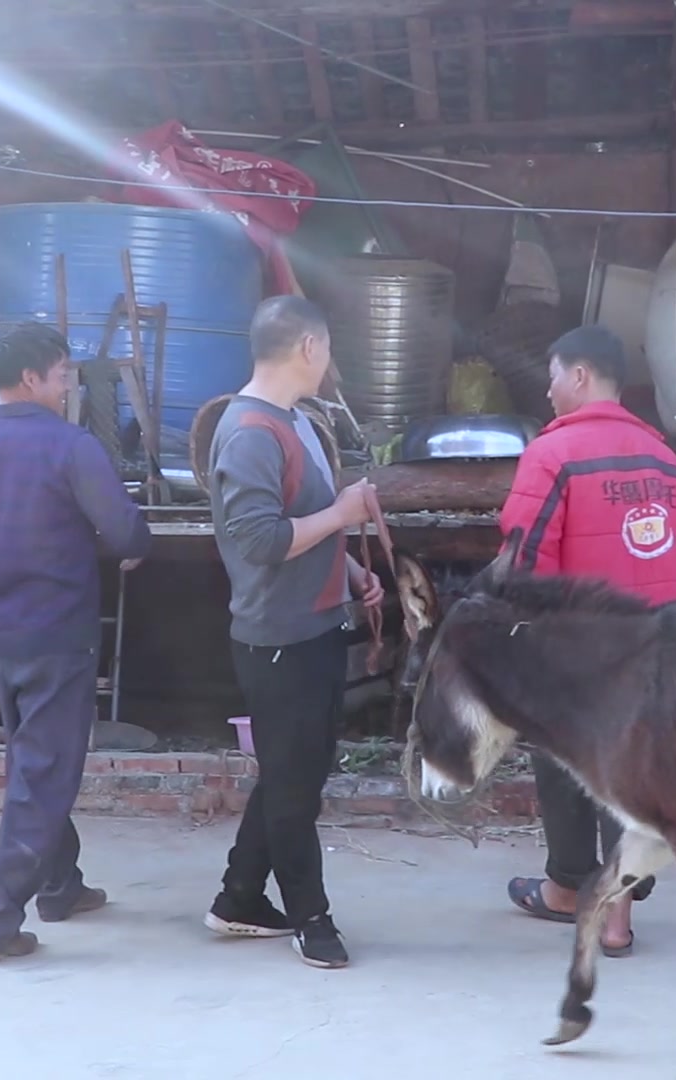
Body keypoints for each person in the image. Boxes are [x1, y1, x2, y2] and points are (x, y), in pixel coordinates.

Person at [0, 321, 152, 959]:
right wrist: (131, 543)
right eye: (60, 376)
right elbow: (127, 533)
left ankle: (60, 884)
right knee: (45, 774)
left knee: (35, 763)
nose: (65, 387)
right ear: (32, 379)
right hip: (60, 634)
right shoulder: (71, 447)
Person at [498, 325, 676, 958]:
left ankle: (574, 888)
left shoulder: (551, 456)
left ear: (579, 377)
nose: (546, 388)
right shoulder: (666, 461)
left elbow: (522, 561)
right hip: (659, 649)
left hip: (579, 652)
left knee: (567, 761)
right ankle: (613, 912)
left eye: (552, 374)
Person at [204, 294, 382, 970]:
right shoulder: (252, 431)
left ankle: (239, 896)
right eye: (328, 348)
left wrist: (353, 567)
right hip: (277, 636)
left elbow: (307, 519)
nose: (329, 361)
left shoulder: (293, 421)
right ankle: (313, 918)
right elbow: (261, 540)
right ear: (308, 347)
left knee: (292, 774)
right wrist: (342, 517)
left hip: (312, 623)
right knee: (293, 786)